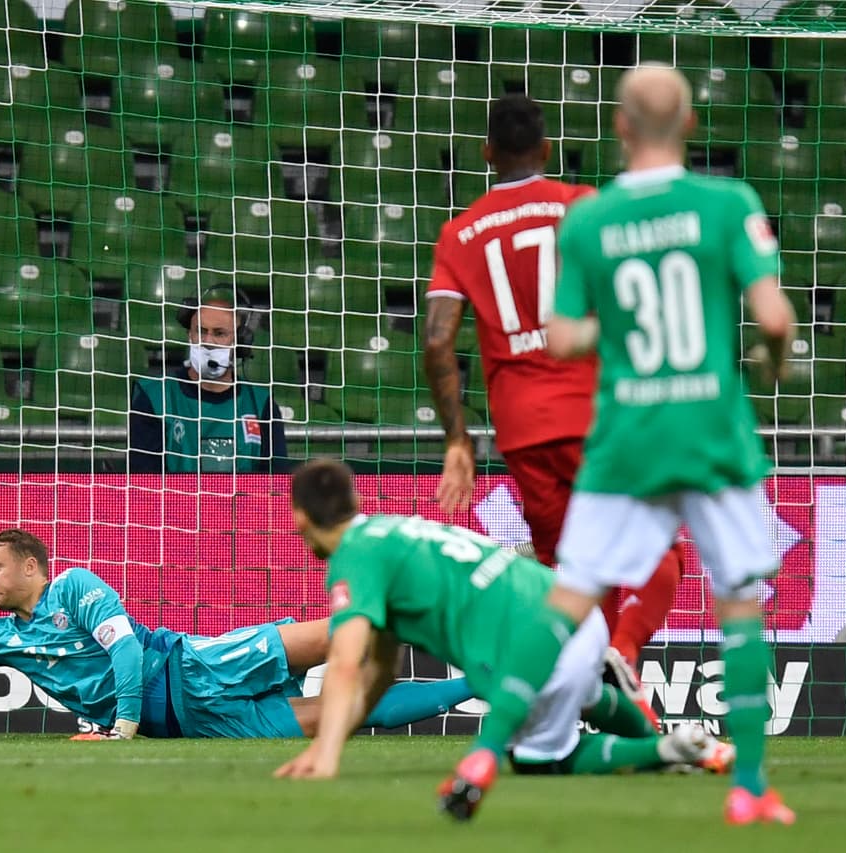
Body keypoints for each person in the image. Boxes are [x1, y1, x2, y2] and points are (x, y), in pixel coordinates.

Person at [443, 65, 797, 825]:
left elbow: (564, 334)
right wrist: (774, 359)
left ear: (621, 128)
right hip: (711, 430)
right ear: (693, 124)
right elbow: (772, 321)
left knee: (566, 594)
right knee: (737, 601)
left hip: (620, 430)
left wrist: (628, 334)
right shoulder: (727, 202)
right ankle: (752, 787)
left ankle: (485, 751)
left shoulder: (593, 224)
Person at [273, 459, 732, 793]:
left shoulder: (353, 558)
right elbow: (381, 670)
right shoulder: (392, 531)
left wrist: (327, 754)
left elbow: (347, 662)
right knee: (582, 695)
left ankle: (669, 750)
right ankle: (662, 738)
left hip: (532, 648)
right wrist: (334, 739)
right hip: (573, 610)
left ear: (299, 516)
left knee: (541, 760)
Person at [423, 92, 683, 680]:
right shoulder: (583, 206)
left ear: (487, 153)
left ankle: (602, 694)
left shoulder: (460, 234)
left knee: (574, 568)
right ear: (545, 148)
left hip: (520, 431)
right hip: (594, 417)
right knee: (659, 551)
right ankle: (628, 653)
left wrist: (458, 441)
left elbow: (438, 339)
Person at [0, 528, 473, 740]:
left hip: (194, 669)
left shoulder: (76, 586)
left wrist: (121, 723)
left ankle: (454, 605)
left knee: (333, 637)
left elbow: (123, 647)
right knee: (345, 714)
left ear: (32, 564)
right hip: (196, 725)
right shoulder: (2, 637)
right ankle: (482, 684)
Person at [129, 286, 288, 473]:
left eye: (219, 333)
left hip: (243, 502)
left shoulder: (262, 405)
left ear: (240, 341)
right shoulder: (154, 396)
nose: (208, 341)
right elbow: (144, 485)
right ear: (190, 335)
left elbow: (277, 485)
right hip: (175, 502)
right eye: (201, 331)